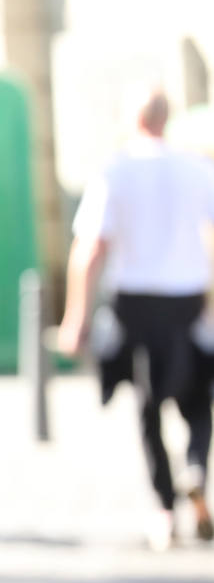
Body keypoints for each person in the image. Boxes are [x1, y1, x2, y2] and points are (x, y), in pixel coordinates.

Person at [58, 87, 214, 548]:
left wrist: (75, 317)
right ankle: (196, 468)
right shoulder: (196, 169)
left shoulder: (115, 170)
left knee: (149, 408)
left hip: (136, 304)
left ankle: (165, 507)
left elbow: (88, 251)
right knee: (197, 399)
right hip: (187, 300)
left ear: (132, 121)